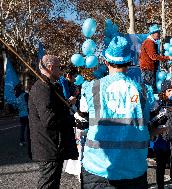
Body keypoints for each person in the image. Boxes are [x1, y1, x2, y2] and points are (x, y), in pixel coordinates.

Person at [81, 36, 155, 189]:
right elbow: (159, 121)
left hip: (97, 169)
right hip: (134, 169)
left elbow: (81, 124)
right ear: (129, 63)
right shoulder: (144, 91)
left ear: (106, 62)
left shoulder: (90, 88)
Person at [28, 55, 79, 189]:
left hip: (53, 146)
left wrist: (67, 103)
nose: (61, 71)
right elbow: (49, 120)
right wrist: (72, 120)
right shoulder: (42, 88)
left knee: (53, 183)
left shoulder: (49, 86)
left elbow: (54, 109)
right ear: (50, 68)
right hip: (48, 147)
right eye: (59, 67)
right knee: (48, 185)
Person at [149, 80, 172, 189]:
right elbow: (152, 122)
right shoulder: (158, 105)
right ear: (164, 91)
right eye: (169, 90)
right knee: (161, 167)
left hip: (171, 141)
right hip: (160, 141)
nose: (171, 92)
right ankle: (160, 186)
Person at [139, 24, 172, 92]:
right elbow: (153, 56)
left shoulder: (150, 42)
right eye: (157, 33)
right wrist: (168, 58)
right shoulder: (149, 42)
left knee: (149, 89)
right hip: (148, 70)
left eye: (159, 33)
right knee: (149, 90)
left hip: (148, 69)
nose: (159, 34)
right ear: (152, 33)